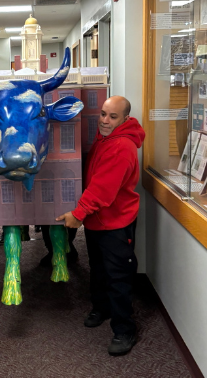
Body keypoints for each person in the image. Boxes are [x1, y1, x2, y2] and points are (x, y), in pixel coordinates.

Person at [57, 96, 145, 356]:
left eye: (112, 116)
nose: (105, 121)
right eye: (103, 114)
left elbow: (103, 188)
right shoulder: (104, 137)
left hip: (116, 223)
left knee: (118, 276)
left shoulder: (122, 146)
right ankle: (102, 307)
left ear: (125, 119)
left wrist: (79, 213)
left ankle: (124, 329)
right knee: (98, 268)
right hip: (98, 222)